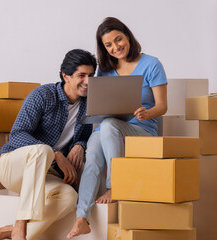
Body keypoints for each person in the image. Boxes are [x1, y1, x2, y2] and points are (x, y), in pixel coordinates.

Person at [0, 49, 96, 240]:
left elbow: (85, 136)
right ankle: (20, 225)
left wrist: (80, 145)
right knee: (43, 150)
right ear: (66, 76)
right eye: (82, 75)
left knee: (69, 197)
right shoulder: (43, 95)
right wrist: (56, 153)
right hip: (13, 167)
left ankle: (8, 231)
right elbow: (17, 134)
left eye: (91, 75)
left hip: (45, 174)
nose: (87, 81)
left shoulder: (88, 105)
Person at [67, 17, 168, 238]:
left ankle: (116, 185)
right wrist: (95, 133)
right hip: (110, 126)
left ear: (128, 36)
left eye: (118, 39)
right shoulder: (105, 69)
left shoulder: (152, 64)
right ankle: (81, 217)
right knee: (93, 149)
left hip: (142, 129)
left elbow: (162, 106)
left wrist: (146, 112)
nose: (115, 47)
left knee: (109, 124)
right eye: (108, 45)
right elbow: (102, 106)